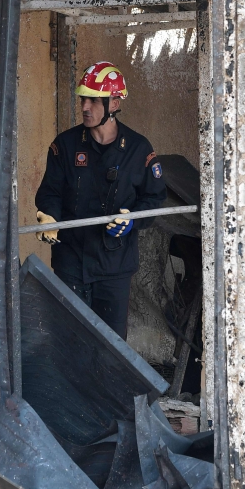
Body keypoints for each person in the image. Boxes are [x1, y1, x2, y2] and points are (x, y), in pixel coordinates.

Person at [34, 62, 167, 338]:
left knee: (111, 348)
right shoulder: (65, 145)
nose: (85, 106)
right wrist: (49, 215)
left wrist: (132, 219)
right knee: (69, 342)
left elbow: (154, 198)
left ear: (115, 103)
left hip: (114, 266)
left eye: (94, 100)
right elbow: (50, 192)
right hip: (70, 262)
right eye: (83, 98)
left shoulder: (138, 149)